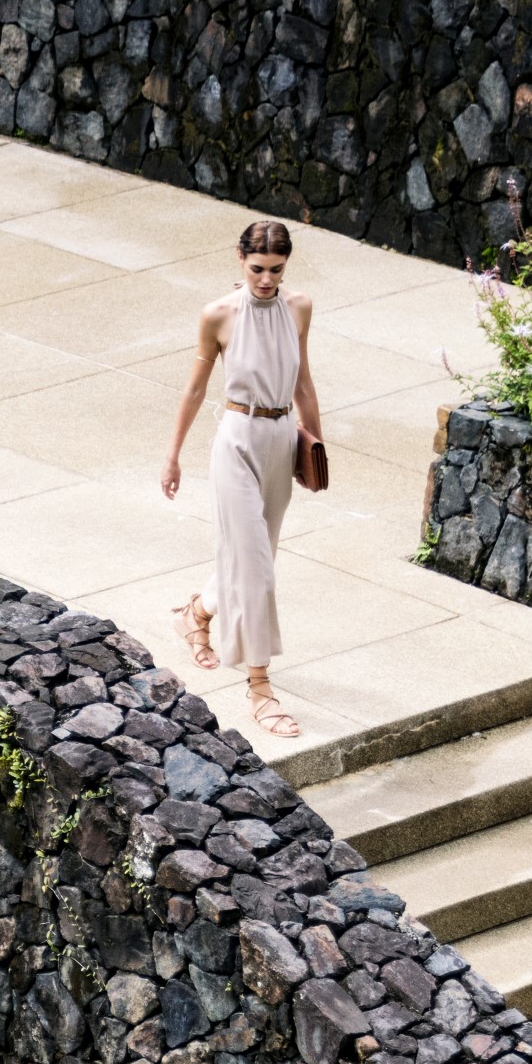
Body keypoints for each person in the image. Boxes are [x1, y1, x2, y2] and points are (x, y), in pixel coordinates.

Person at [160, 219, 322, 739]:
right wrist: (173, 456)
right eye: (257, 269)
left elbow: (303, 382)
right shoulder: (218, 314)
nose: (267, 279)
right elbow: (193, 390)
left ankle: (197, 612)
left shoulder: (299, 307)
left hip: (281, 441)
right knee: (254, 569)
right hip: (236, 441)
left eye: (276, 269)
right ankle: (259, 689)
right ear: (240, 259)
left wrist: (315, 446)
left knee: (256, 560)